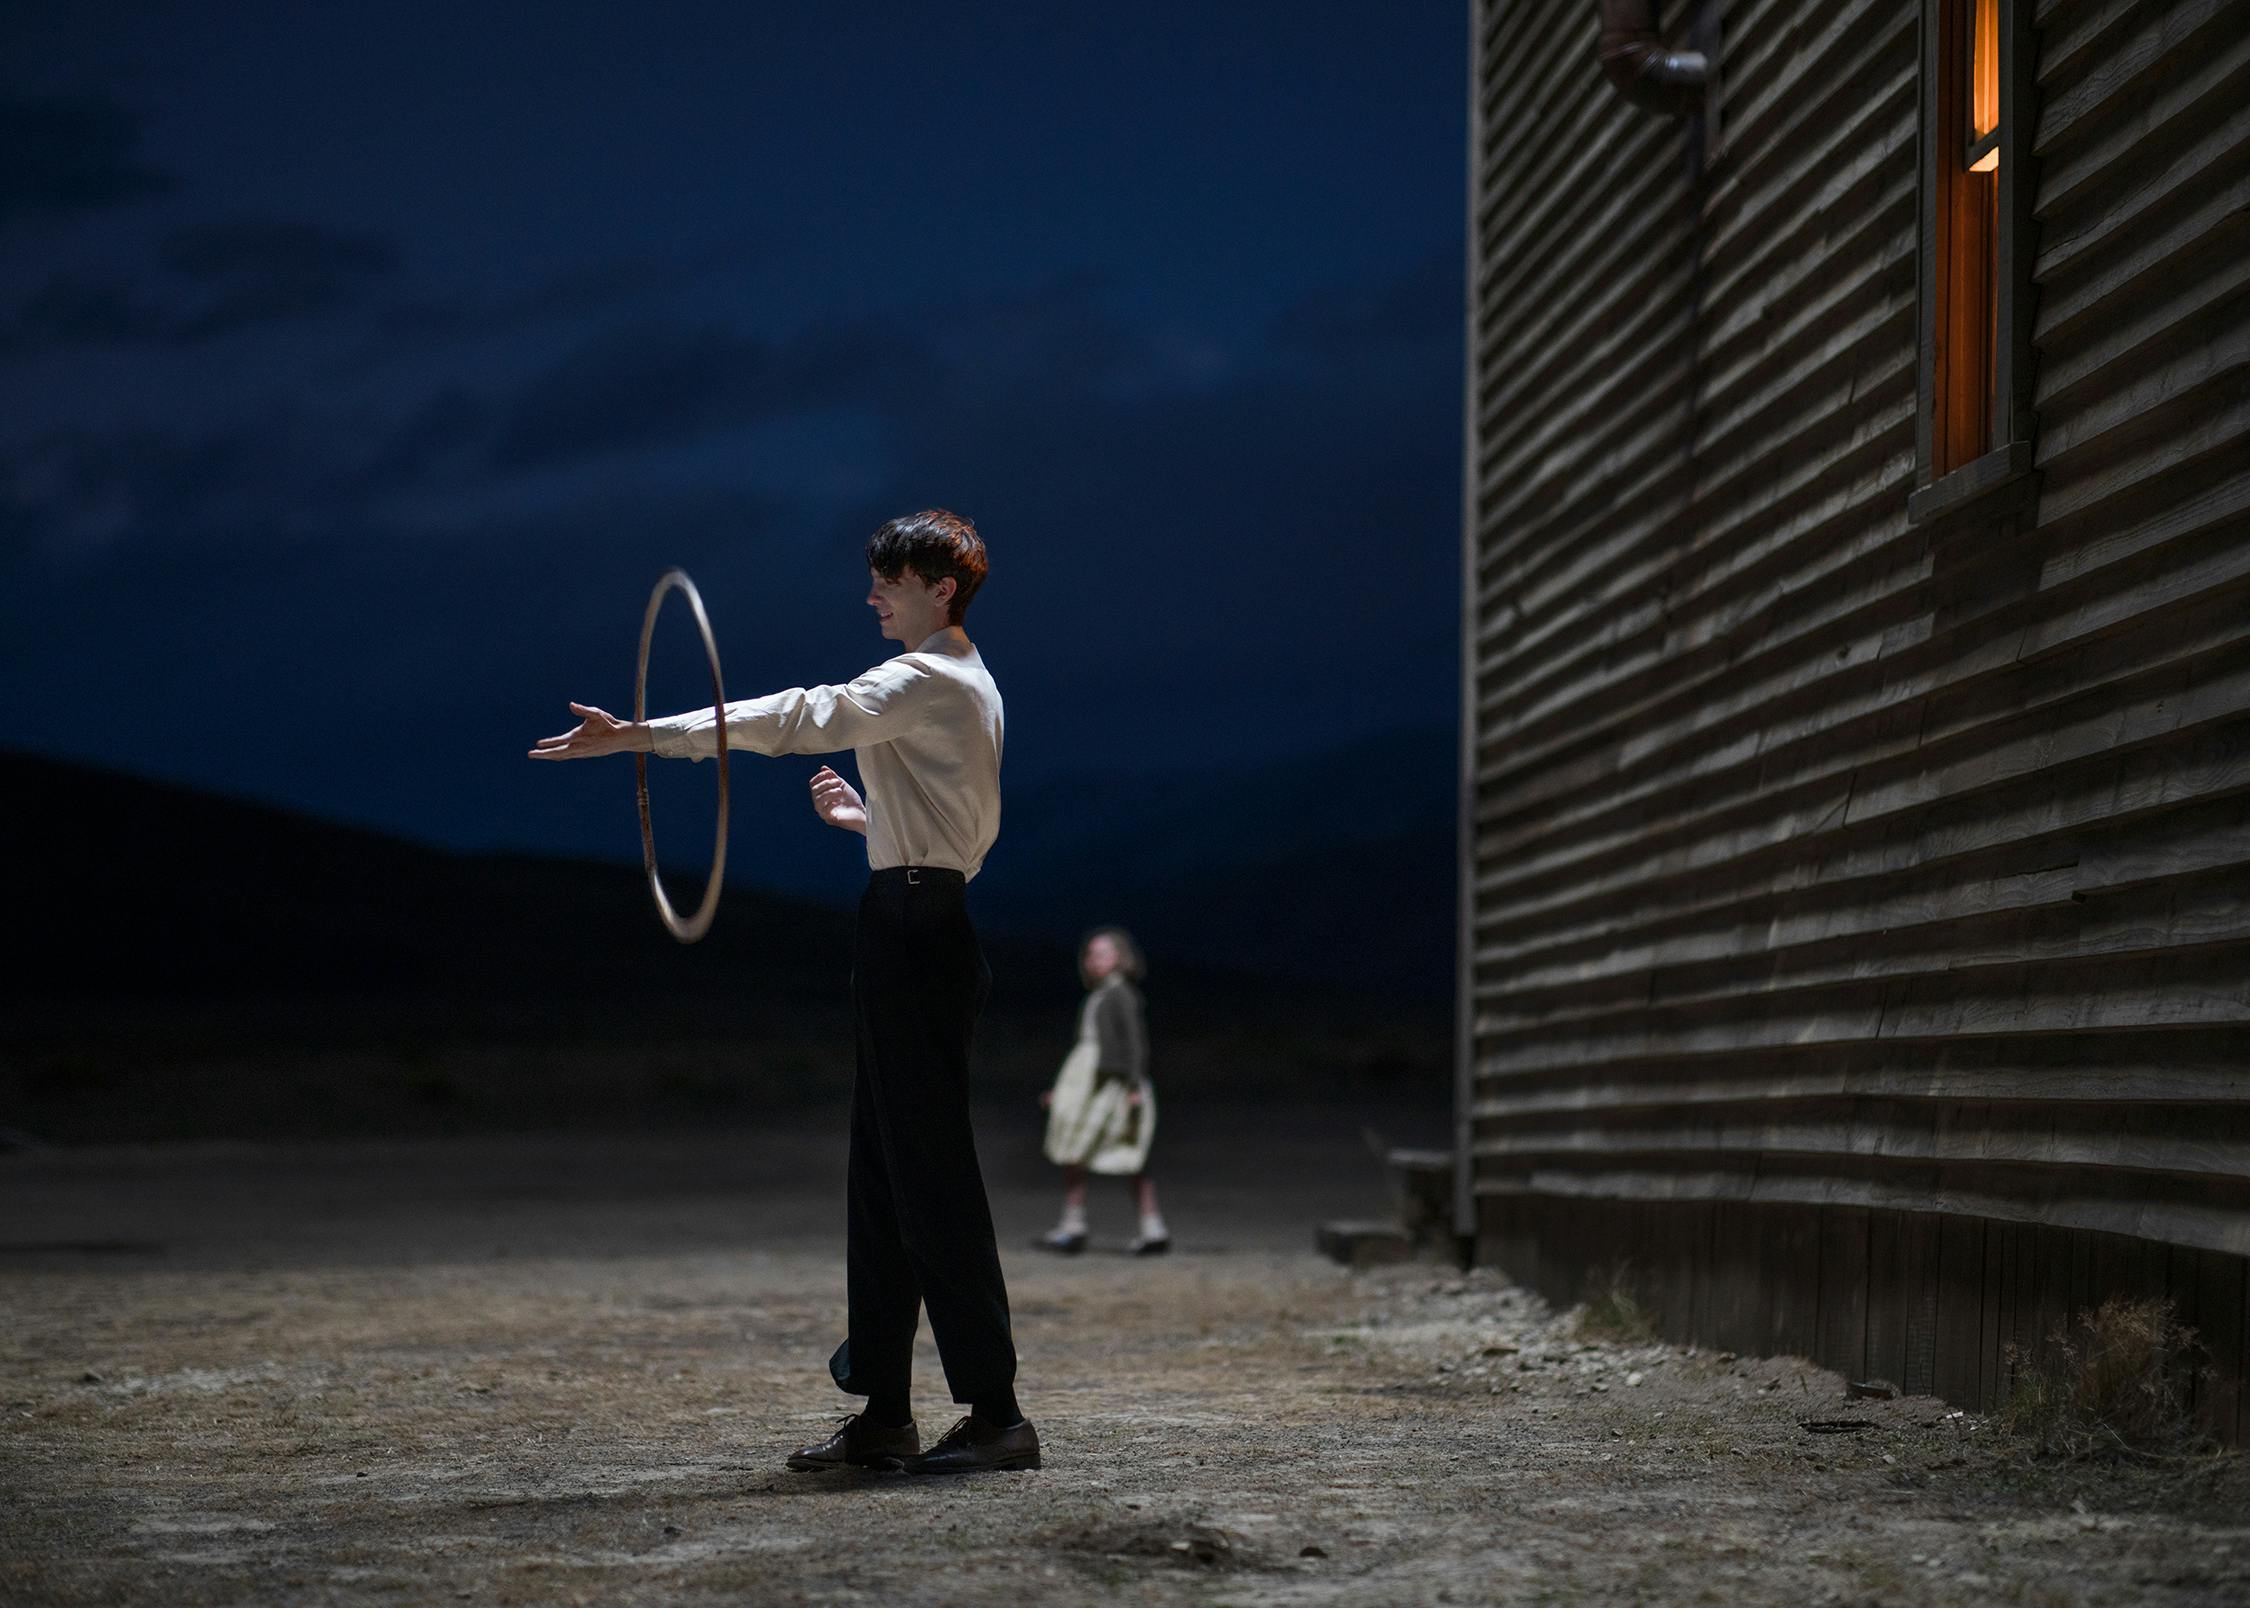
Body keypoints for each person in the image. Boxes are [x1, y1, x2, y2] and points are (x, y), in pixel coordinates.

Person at [527, 509, 1038, 1476]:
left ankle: (1000, 1414)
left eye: (892, 579)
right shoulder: (966, 682)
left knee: (927, 1179)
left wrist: (642, 736)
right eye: (876, 577)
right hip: (910, 918)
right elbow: (955, 836)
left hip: (917, 931)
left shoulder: (928, 677)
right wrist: (871, 824)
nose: (874, 593)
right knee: (884, 1178)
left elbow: (806, 715)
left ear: (944, 588)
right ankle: (887, 1414)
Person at [1035, 927, 1170, 1255]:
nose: (1096, 960)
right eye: (1092, 954)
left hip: (1112, 1082)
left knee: (1129, 1152)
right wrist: (1063, 1092)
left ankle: (1152, 1226)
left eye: (1104, 953)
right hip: (1088, 1078)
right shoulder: (1098, 996)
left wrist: (1134, 1084)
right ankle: (1074, 1222)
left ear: (1121, 957)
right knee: (1075, 1149)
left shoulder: (1121, 994)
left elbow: (1135, 1043)